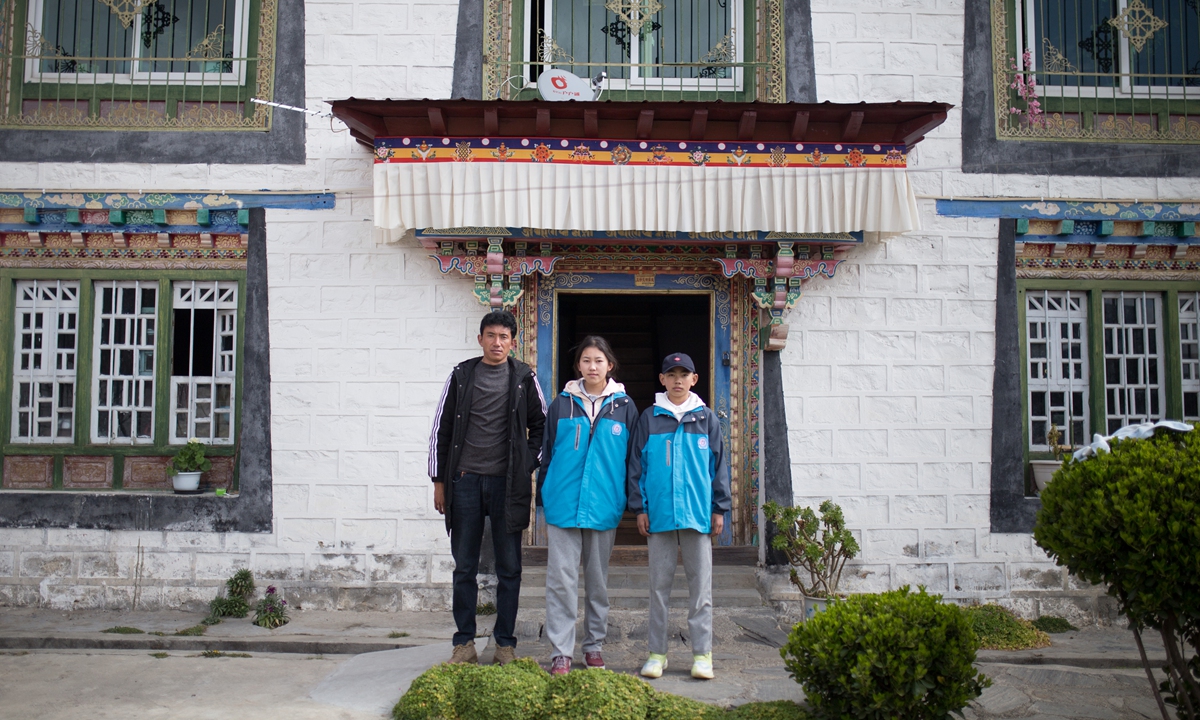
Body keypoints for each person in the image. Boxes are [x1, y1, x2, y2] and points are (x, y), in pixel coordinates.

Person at [428, 310, 546, 665]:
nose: (497, 343)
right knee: (464, 566)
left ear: (513, 342)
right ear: (480, 339)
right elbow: (441, 430)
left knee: (509, 567)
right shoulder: (461, 376)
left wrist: (526, 463)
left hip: (506, 485)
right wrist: (439, 482)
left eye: (504, 337)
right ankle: (464, 643)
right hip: (464, 481)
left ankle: (504, 644)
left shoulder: (524, 378)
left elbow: (542, 426)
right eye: (491, 336)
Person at [537, 336, 639, 675]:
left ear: (610, 365)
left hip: (604, 505)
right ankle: (561, 652)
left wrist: (630, 500)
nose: (592, 366)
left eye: (598, 360)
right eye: (586, 360)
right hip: (563, 503)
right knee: (561, 581)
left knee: (597, 582)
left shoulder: (624, 407)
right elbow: (547, 452)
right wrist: (544, 494)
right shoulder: (561, 404)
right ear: (578, 365)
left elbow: (632, 460)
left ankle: (593, 646)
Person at [627, 352, 731, 681]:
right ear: (662, 379)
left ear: (693, 379)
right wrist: (640, 508)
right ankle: (657, 654)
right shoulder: (649, 418)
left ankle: (702, 654)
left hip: (697, 516)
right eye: (671, 375)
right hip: (659, 515)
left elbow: (719, 466)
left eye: (683, 374)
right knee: (659, 588)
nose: (677, 380)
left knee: (701, 589)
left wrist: (719, 507)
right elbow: (637, 467)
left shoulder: (706, 419)